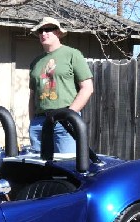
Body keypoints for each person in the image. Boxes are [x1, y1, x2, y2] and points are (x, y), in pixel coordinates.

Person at [28, 17, 94, 153]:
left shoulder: (72, 54)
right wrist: (32, 122)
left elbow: (87, 88)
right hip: (39, 123)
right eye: (40, 30)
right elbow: (32, 95)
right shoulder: (35, 62)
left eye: (48, 29)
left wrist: (69, 114)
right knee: (38, 169)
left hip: (64, 121)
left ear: (58, 32)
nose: (43, 33)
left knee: (66, 168)